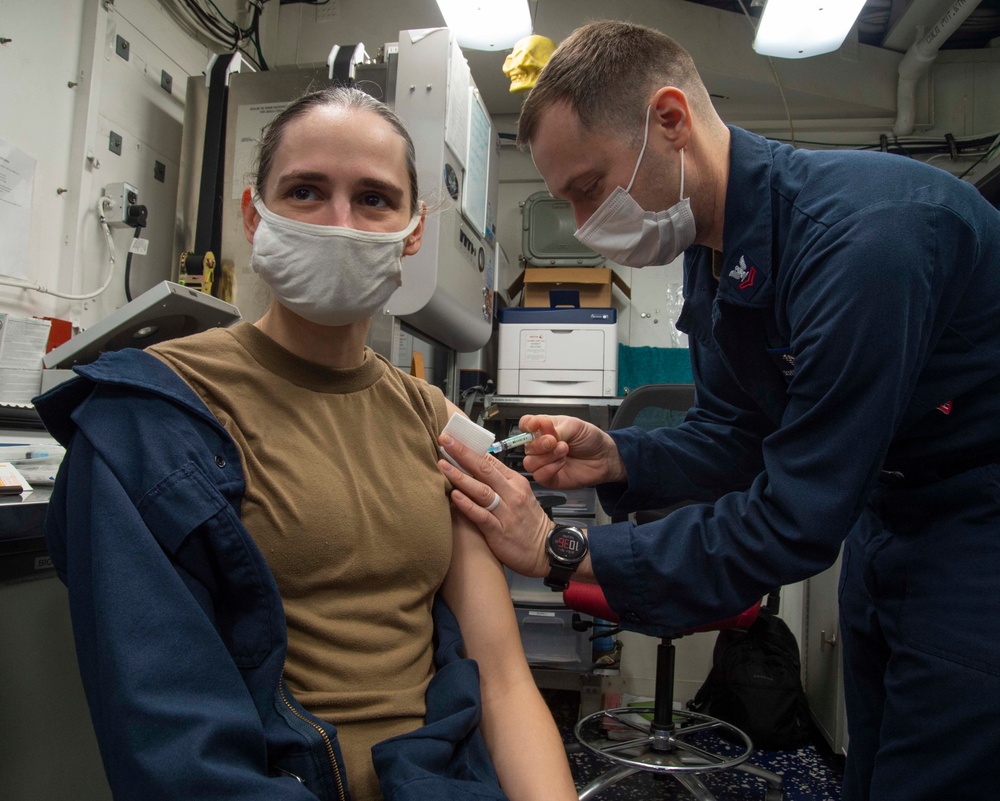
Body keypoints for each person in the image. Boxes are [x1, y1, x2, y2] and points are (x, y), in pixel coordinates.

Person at [437, 20, 1000, 801]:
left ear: (671, 120)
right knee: (873, 771)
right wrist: (623, 454)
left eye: (591, 187)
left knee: (935, 774)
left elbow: (791, 519)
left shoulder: (864, 240)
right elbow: (739, 432)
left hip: (979, 523)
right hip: (890, 515)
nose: (588, 224)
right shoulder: (714, 248)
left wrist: (566, 550)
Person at [35, 86, 577, 801]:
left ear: (413, 231)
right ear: (253, 215)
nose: (341, 224)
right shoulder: (152, 418)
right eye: (307, 191)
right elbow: (174, 746)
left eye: (375, 199)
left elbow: (504, 679)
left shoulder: (430, 419)